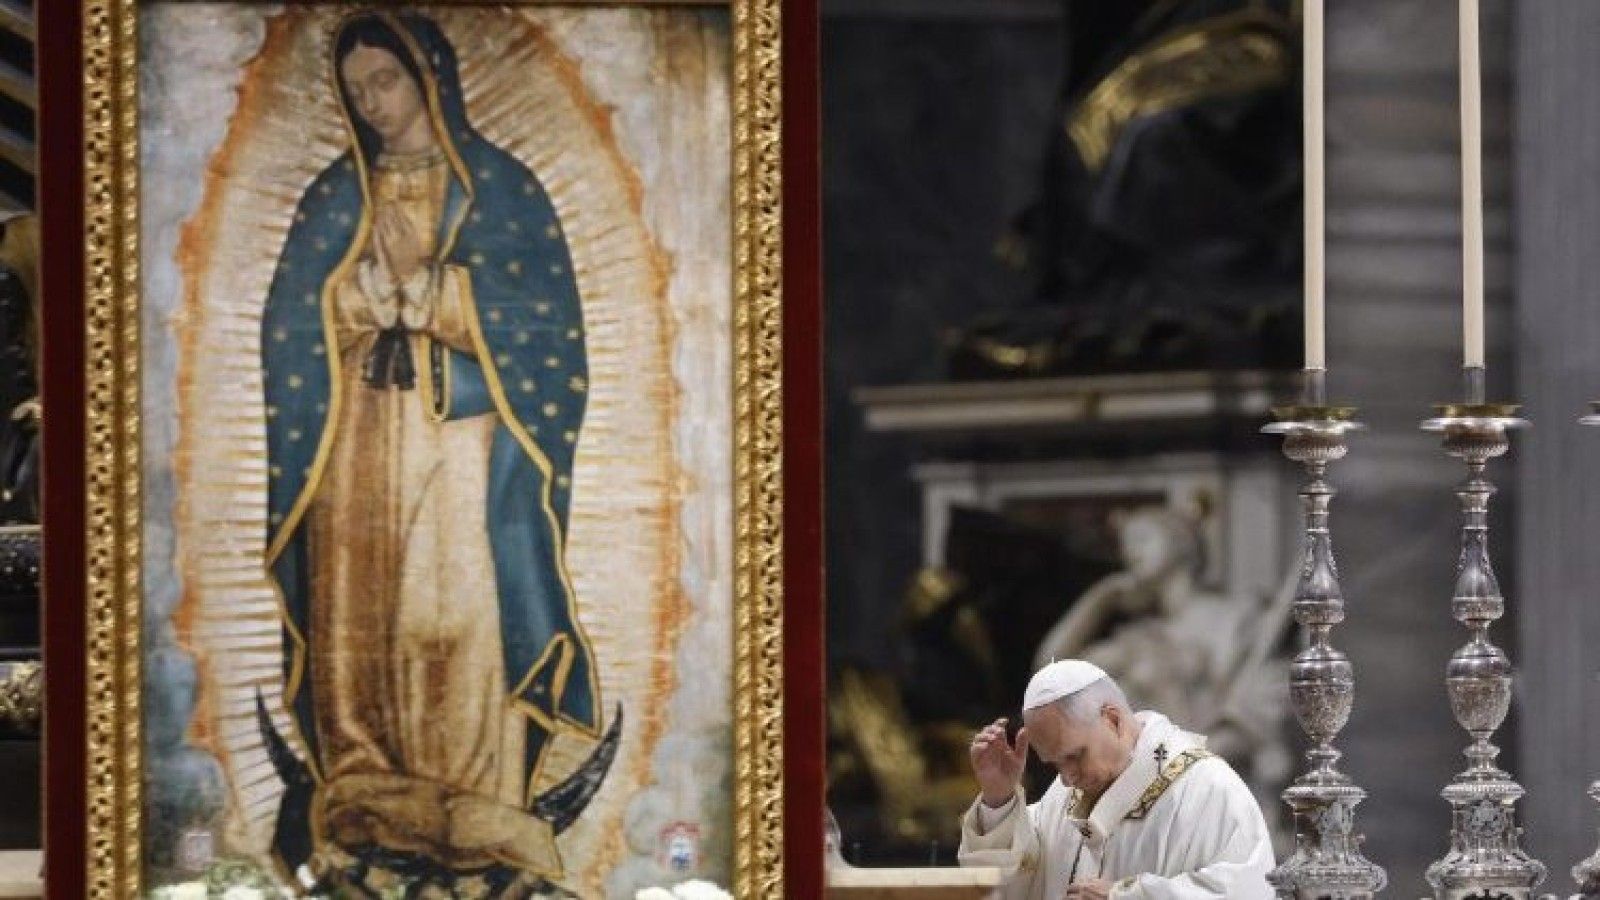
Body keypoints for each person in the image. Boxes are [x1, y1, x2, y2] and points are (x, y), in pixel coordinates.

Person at [259, 11, 602, 887]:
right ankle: (368, 788)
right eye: (358, 89)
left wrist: (437, 296)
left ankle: (478, 800)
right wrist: (350, 303)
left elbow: (546, 333)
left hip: (459, 441)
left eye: (387, 81)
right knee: (358, 616)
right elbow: (291, 326)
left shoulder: (497, 191)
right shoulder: (338, 196)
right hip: (358, 440)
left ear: (428, 77)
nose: (374, 102)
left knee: (448, 614)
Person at [960, 660, 1274, 899]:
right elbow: (1009, 887)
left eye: (1074, 756)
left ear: (1113, 720)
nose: (1067, 779)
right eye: (1055, 764)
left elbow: (1248, 890)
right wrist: (999, 798)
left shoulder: (1206, 789)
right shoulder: (1063, 797)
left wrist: (1127, 895)